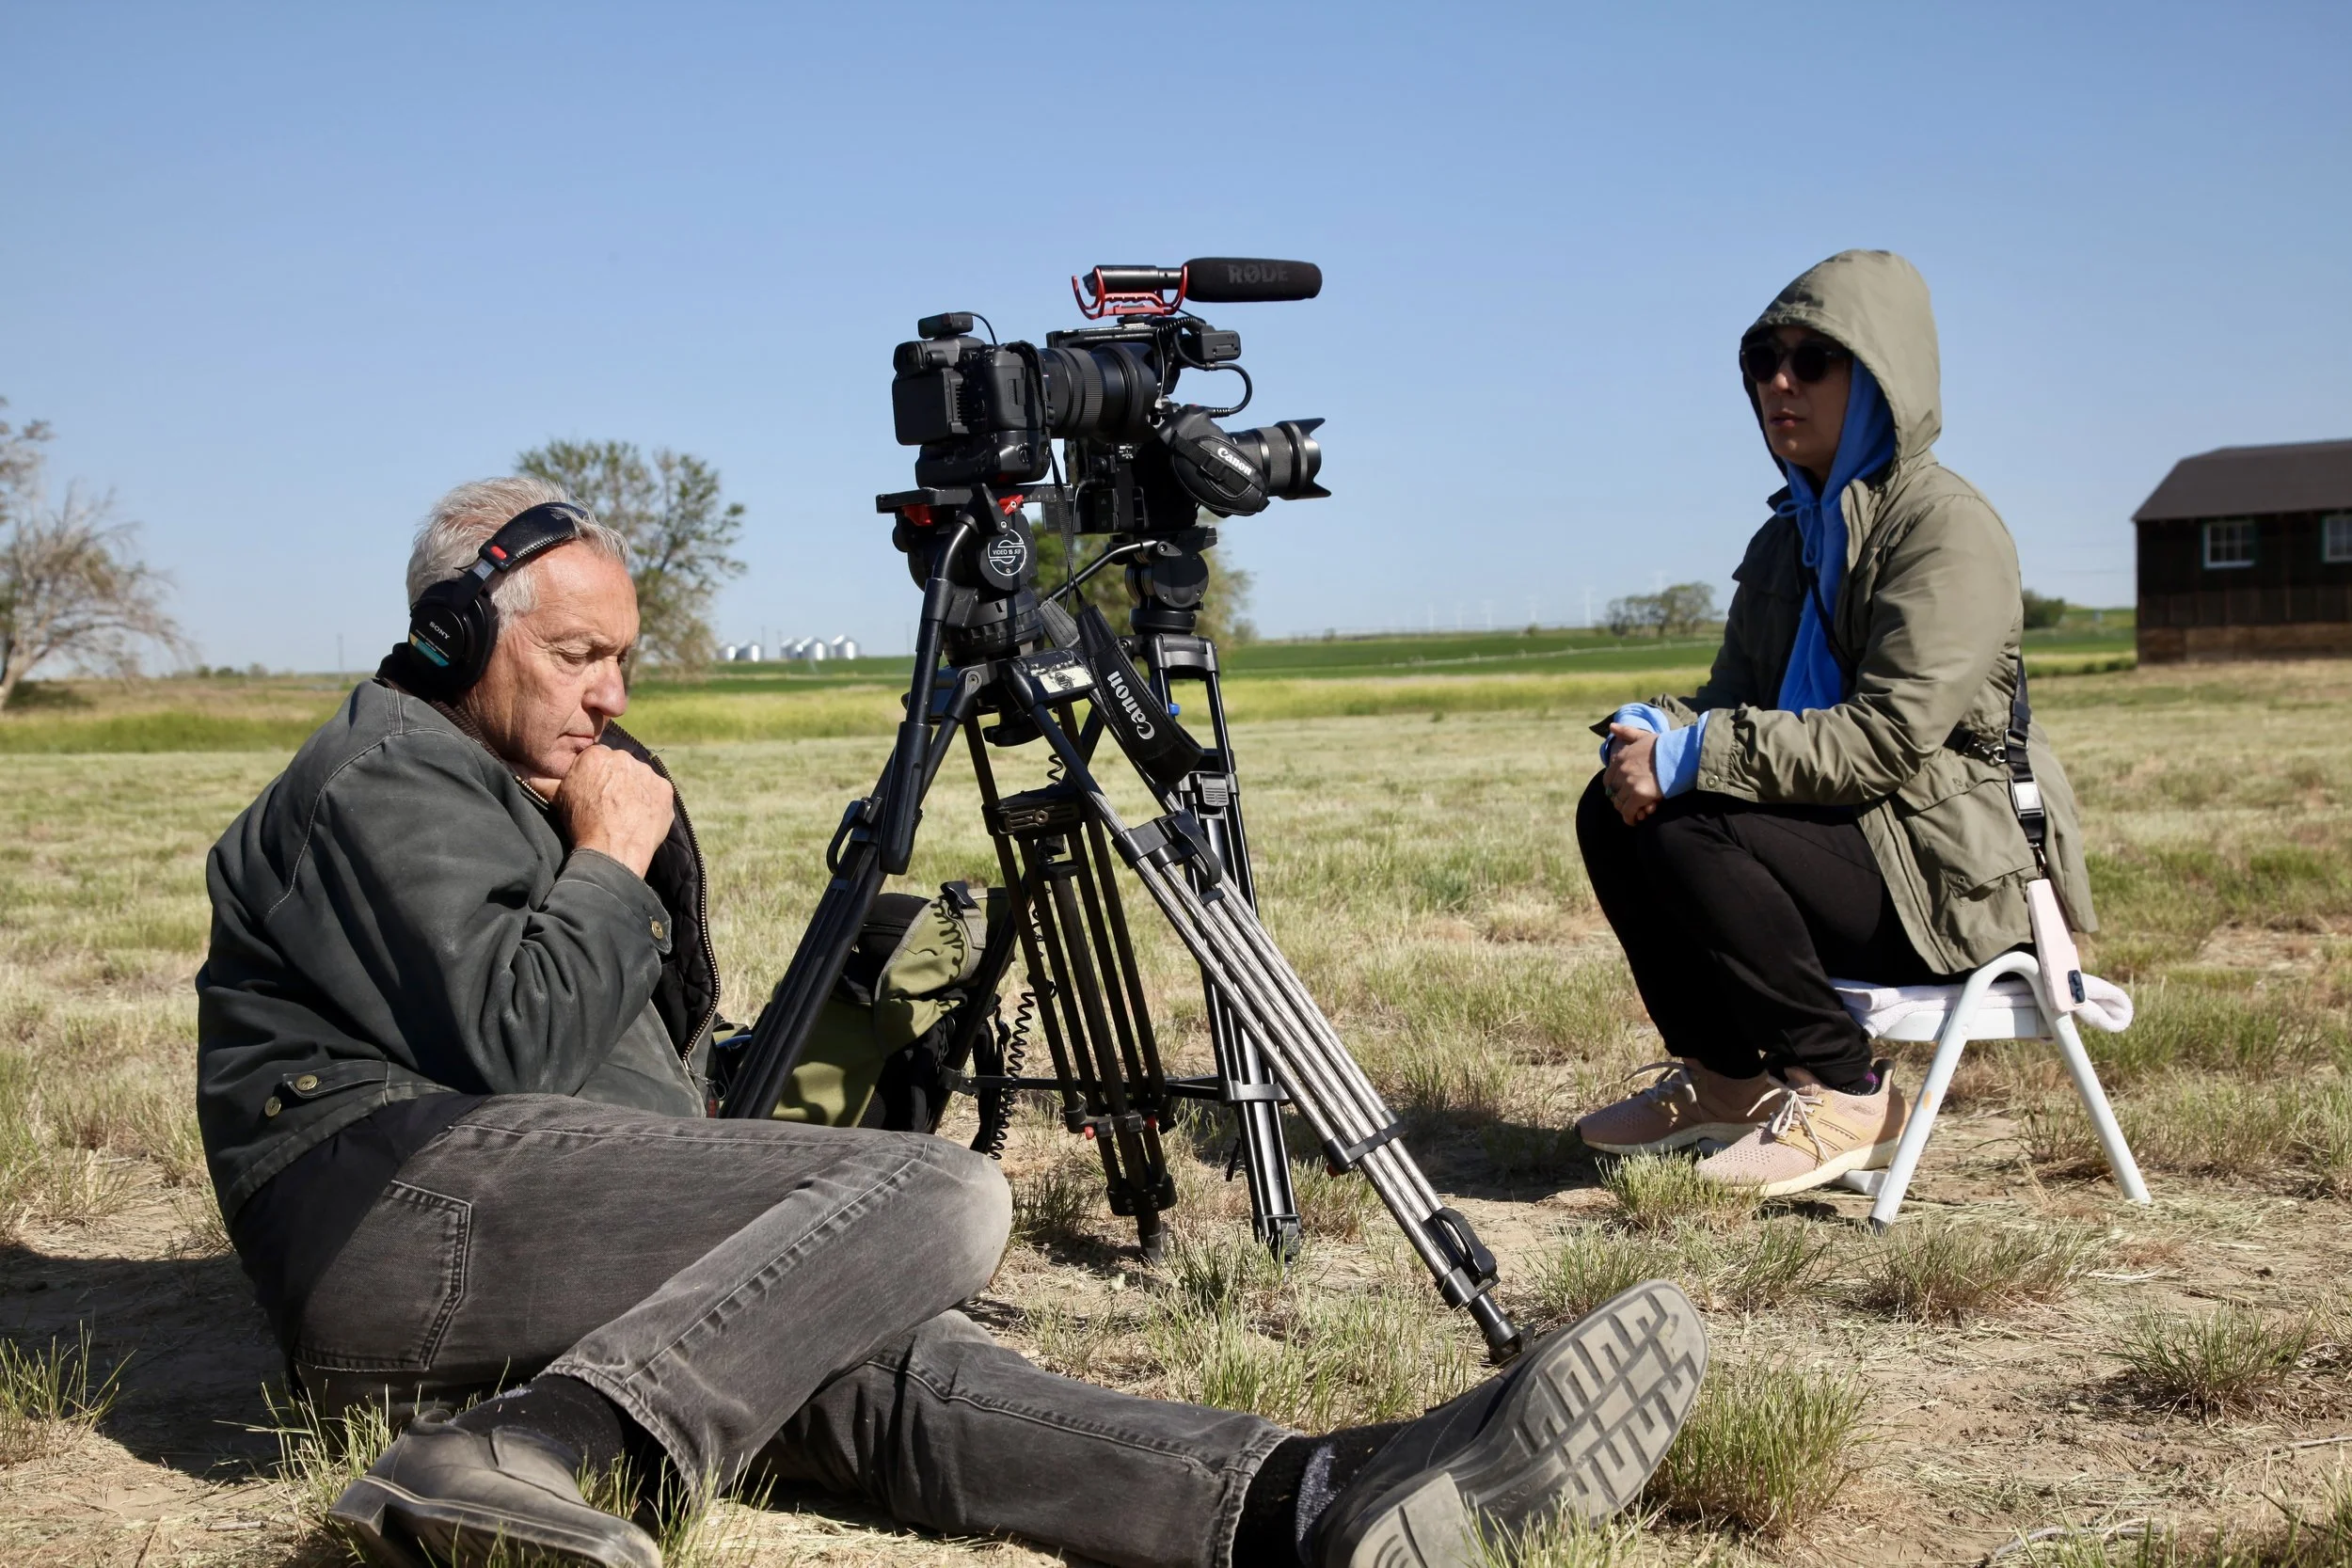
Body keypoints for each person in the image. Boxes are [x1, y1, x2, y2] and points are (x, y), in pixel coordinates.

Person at [195, 476, 1706, 1568]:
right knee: (932, 1186)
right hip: (392, 1212)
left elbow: (587, 1066)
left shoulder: (507, 780)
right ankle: (537, 1449)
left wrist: (738, 1208)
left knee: (862, 1348)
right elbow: (518, 1039)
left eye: (626, 661)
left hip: (488, 1229)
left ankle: (1313, 1498)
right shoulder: (378, 772)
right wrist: (609, 858)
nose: (612, 694)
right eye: (578, 654)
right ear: (459, 631)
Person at [1572, 249, 2096, 1197]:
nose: (1779, 381)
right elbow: (1734, 700)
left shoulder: (1944, 528)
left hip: (1953, 876)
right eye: (1763, 360)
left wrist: (1695, 755)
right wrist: (1656, 729)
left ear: (1880, 375)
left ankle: (1847, 1089)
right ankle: (1730, 1079)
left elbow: (1888, 737)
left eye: (1814, 359)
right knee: (1615, 804)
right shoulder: (1786, 534)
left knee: (1696, 808)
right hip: (1850, 848)